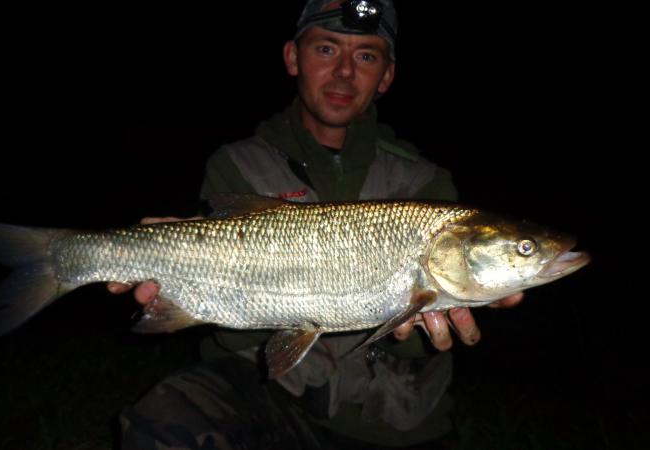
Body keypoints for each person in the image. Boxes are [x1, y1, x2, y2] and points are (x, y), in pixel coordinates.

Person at [109, 1, 522, 448]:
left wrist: (417, 329)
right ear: (293, 57)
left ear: (386, 76)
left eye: (366, 56)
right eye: (326, 49)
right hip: (270, 394)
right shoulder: (237, 164)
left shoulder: (425, 183)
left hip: (392, 418)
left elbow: (424, 339)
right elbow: (230, 334)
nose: (344, 72)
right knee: (164, 425)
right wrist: (173, 261)